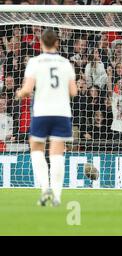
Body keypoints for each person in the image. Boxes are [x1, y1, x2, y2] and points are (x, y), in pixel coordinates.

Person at [16, 29, 77, 206]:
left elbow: (27, 89)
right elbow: (73, 91)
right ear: (57, 43)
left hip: (42, 112)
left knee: (36, 149)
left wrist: (19, 93)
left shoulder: (35, 62)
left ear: (41, 43)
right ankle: (57, 196)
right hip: (62, 112)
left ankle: (45, 190)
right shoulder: (66, 63)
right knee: (57, 153)